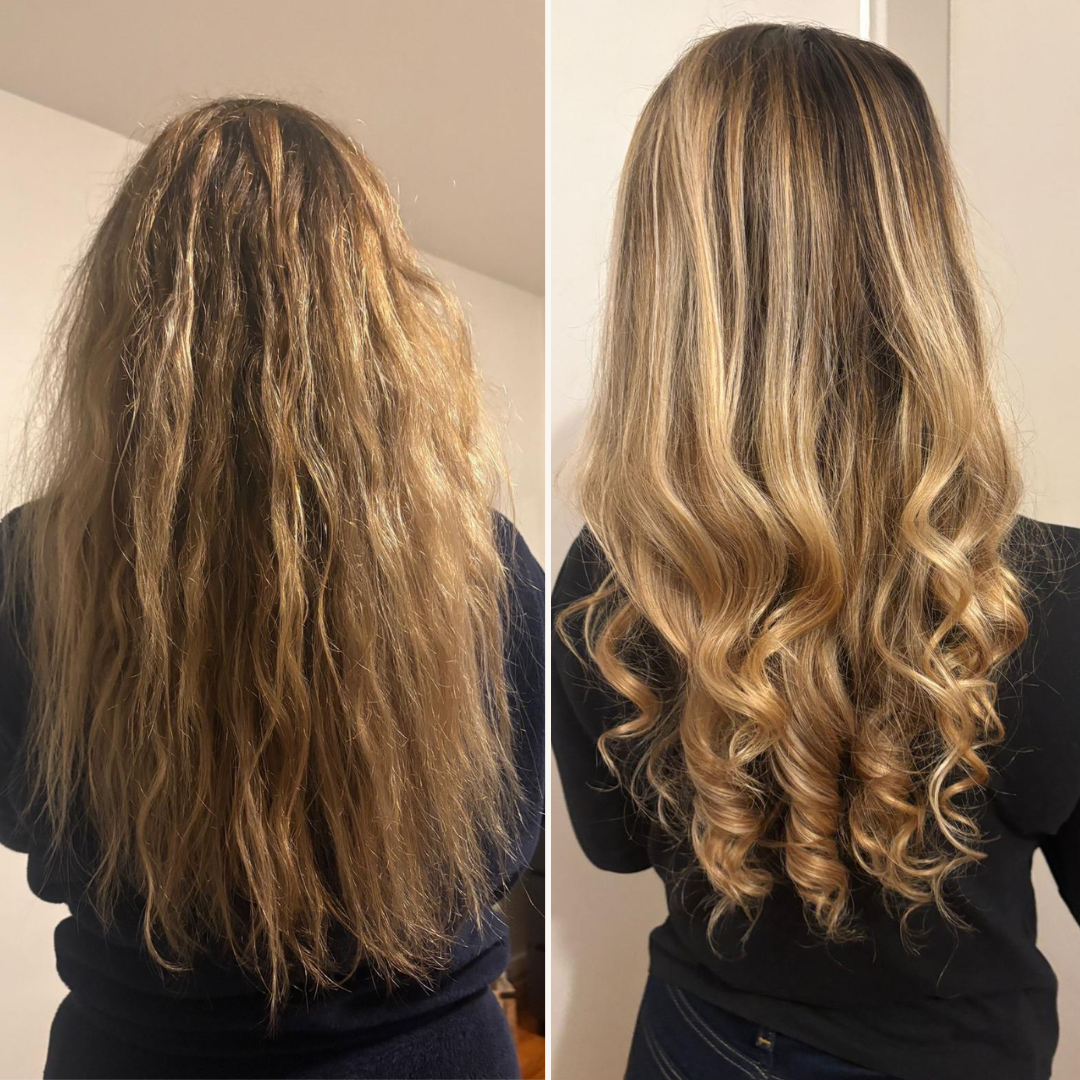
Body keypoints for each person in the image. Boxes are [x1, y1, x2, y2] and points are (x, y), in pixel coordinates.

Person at [552, 23, 1080, 1080]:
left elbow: (611, 849)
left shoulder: (606, 589)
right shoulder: (1044, 600)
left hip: (693, 1043)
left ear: (670, 278)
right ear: (919, 258)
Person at [0, 98, 543, 1080]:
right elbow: (508, 841)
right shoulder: (485, 567)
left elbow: (20, 814)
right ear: (380, 315)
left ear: (128, 314)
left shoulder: (31, 564)